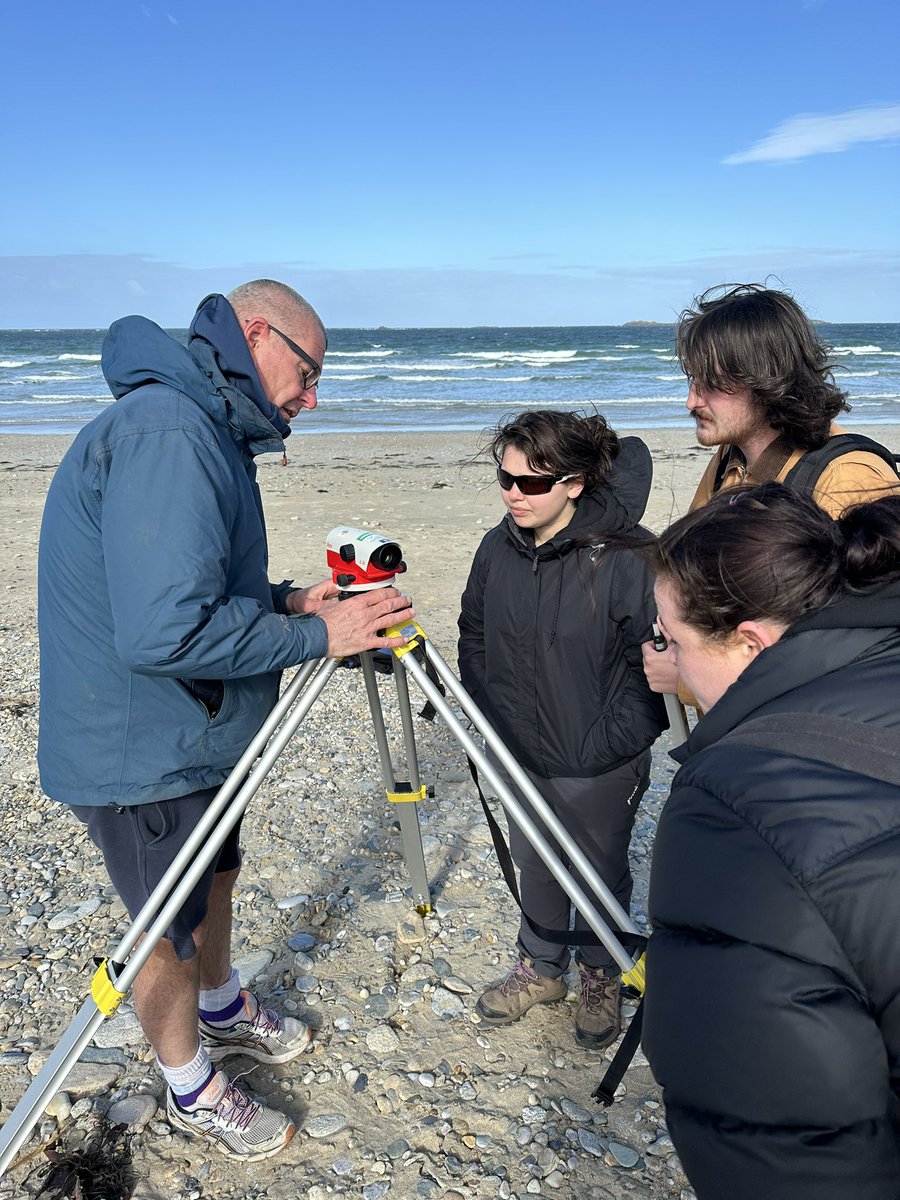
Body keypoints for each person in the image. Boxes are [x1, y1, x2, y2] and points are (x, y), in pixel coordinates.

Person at [37, 280, 416, 1161]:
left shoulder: (202, 423)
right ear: (256, 334)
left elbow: (188, 586)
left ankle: (224, 1008)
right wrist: (318, 632)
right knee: (165, 926)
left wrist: (286, 598)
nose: (312, 398)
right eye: (309, 373)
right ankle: (189, 1084)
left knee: (215, 880)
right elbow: (165, 628)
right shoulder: (171, 430)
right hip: (145, 747)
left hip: (194, 730)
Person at [638, 483, 900, 1200]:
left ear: (750, 642)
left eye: (672, 640)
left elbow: (785, 1138)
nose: (668, 662)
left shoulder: (734, 807)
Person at [457, 410, 666, 1049]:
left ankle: (601, 973)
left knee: (599, 866)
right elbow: (474, 631)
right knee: (534, 860)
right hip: (518, 748)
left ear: (574, 484)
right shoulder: (498, 546)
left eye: (532, 483)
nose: (514, 494)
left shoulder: (632, 556)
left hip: (599, 756)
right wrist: (491, 719)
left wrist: (612, 740)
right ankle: (541, 967)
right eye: (504, 478)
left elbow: (657, 661)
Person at [643, 282, 899, 703]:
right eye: (692, 379)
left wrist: (685, 680)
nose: (690, 400)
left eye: (711, 383)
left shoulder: (847, 476)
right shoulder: (730, 459)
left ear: (766, 380)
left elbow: (853, 653)